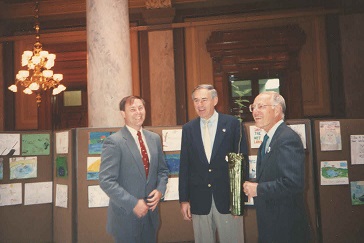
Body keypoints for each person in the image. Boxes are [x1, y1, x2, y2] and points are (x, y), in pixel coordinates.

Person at [179, 84, 248, 243]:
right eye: (196, 100)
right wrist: (184, 199)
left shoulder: (232, 124)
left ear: (215, 100)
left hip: (228, 201)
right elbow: (185, 166)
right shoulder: (189, 129)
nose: (200, 104)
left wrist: (238, 201)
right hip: (199, 200)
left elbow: (240, 163)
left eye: (204, 100)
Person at [243, 91, 311, 243]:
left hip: (286, 227)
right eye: (253, 107)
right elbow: (271, 175)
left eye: (261, 106)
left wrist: (258, 189)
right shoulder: (269, 139)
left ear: (277, 110)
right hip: (272, 223)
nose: (255, 111)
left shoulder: (287, 139)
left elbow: (293, 183)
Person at [99, 96, 169, 243]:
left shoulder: (154, 138)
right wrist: (133, 204)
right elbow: (106, 181)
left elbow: (162, 171)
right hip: (126, 218)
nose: (138, 112)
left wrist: (160, 189)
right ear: (123, 114)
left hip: (151, 217)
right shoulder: (114, 142)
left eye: (140, 108)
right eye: (132, 109)